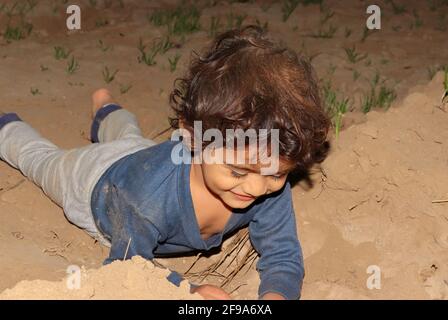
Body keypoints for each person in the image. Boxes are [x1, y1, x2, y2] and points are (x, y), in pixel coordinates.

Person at [0, 25, 330, 300]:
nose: (259, 187)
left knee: (131, 140)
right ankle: (7, 126)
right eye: (237, 171)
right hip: (94, 180)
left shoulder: (264, 175)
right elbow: (127, 265)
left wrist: (275, 297)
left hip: (144, 156)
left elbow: (283, 257)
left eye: (276, 173)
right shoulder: (146, 199)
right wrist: (188, 289)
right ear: (192, 136)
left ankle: (105, 109)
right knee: (41, 161)